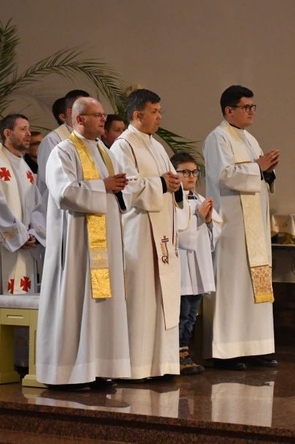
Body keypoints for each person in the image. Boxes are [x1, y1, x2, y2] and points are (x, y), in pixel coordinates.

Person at [36, 97, 130, 388]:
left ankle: (99, 367)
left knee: (102, 306)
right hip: (76, 244)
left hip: (103, 245)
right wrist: (102, 186)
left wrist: (120, 187)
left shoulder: (103, 150)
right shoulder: (63, 152)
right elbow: (64, 193)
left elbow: (117, 190)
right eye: (97, 115)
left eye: (103, 115)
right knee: (76, 301)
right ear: (79, 120)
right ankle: (70, 372)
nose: (104, 120)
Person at [202, 85, 279, 370]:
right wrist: (258, 168)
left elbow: (257, 173)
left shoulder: (249, 139)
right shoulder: (217, 138)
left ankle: (256, 345)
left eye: (253, 107)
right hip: (232, 226)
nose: (251, 112)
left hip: (254, 227)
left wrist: (267, 171)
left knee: (255, 284)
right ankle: (228, 350)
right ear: (228, 110)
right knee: (233, 286)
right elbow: (223, 176)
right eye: (246, 107)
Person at [109, 89, 182, 380]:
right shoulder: (122, 147)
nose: (160, 117)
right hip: (138, 235)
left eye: (160, 111)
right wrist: (163, 184)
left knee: (161, 298)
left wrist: (173, 184)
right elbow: (127, 189)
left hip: (162, 233)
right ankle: (136, 367)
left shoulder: (156, 145)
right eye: (155, 111)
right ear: (138, 115)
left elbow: (166, 181)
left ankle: (161, 364)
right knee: (140, 299)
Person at [171, 152, 222, 375]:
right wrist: (199, 218)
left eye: (194, 172)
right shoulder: (173, 201)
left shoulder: (200, 200)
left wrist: (209, 220)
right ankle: (176, 354)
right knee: (181, 313)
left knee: (192, 314)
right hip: (182, 265)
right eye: (185, 172)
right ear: (174, 174)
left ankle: (185, 352)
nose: (191, 176)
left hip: (198, 266)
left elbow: (216, 232)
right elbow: (180, 234)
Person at [0, 114, 41, 294]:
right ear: (8, 133)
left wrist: (33, 233)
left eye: (29, 129)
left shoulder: (24, 167)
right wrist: (18, 236)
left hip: (25, 244)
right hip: (3, 245)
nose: (28, 134)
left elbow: (37, 206)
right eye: (23, 129)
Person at [34, 90, 90, 245]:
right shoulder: (53, 141)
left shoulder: (91, 141)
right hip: (61, 214)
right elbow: (50, 182)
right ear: (70, 112)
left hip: (86, 209)